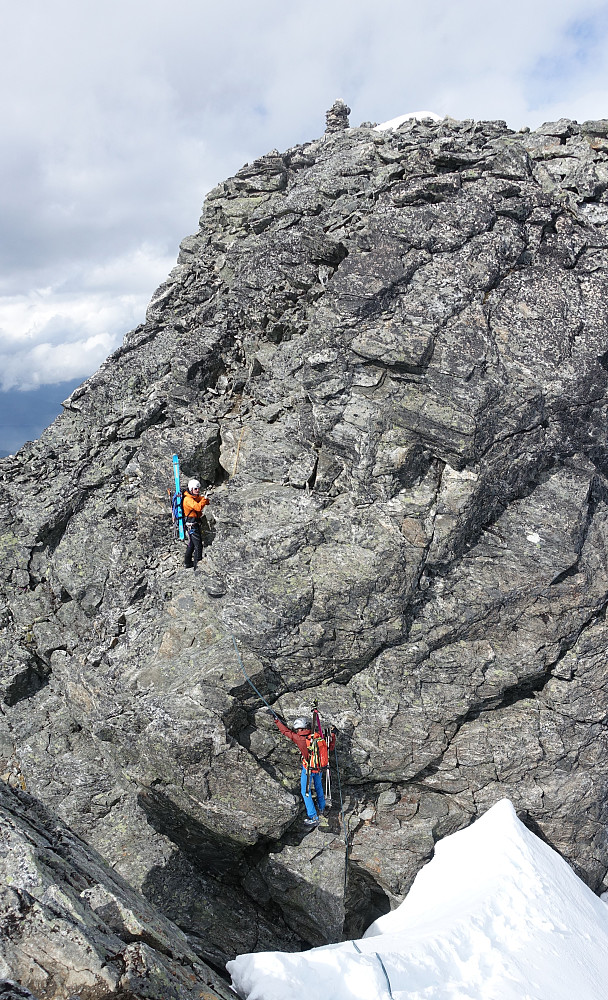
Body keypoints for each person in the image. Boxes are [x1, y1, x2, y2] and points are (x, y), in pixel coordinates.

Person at [270, 713, 336, 826]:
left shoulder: (300, 739)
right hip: (319, 768)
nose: (296, 731)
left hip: (308, 769)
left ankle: (313, 816)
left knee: (305, 792)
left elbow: (286, 732)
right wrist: (333, 733)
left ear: (300, 728)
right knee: (319, 786)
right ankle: (322, 807)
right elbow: (330, 746)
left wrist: (277, 721)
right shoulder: (317, 736)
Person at [183, 479, 209, 570]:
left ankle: (188, 562)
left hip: (193, 523)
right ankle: (197, 565)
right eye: (195, 489)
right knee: (198, 545)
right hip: (192, 525)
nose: (197, 491)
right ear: (191, 489)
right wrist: (204, 500)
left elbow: (200, 500)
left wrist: (205, 500)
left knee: (192, 544)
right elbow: (198, 507)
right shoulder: (188, 499)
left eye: (198, 489)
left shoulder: (193, 497)